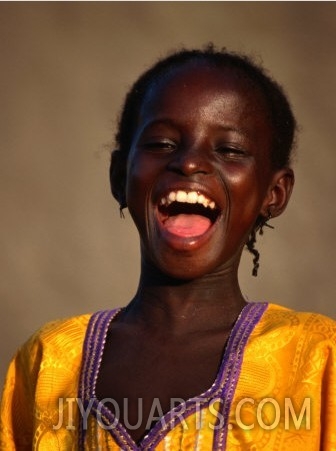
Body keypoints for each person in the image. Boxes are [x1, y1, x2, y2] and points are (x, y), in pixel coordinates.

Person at [1, 44, 335, 450]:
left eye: (228, 150)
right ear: (120, 175)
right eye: (161, 144)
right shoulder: (49, 360)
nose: (190, 163)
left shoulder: (318, 360)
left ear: (274, 193)